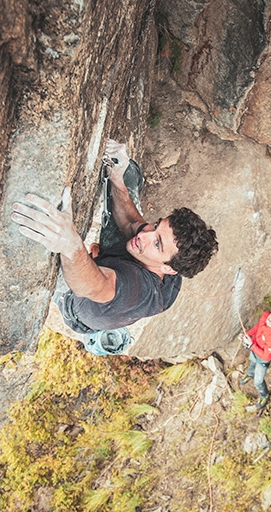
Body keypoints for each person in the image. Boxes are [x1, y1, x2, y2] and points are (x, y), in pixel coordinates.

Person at [11, 139, 218, 354]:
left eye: (157, 243)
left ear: (168, 269)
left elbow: (93, 286)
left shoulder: (137, 289)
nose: (145, 234)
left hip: (79, 302)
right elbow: (130, 222)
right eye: (156, 225)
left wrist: (71, 245)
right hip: (122, 268)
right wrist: (117, 177)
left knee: (45, 239)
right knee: (128, 174)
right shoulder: (164, 252)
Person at [239, 308, 271, 410]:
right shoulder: (265, 316)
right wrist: (247, 335)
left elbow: (266, 356)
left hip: (263, 359)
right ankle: (250, 374)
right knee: (252, 362)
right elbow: (257, 328)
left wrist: (251, 345)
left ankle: (264, 395)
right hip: (254, 349)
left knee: (258, 381)